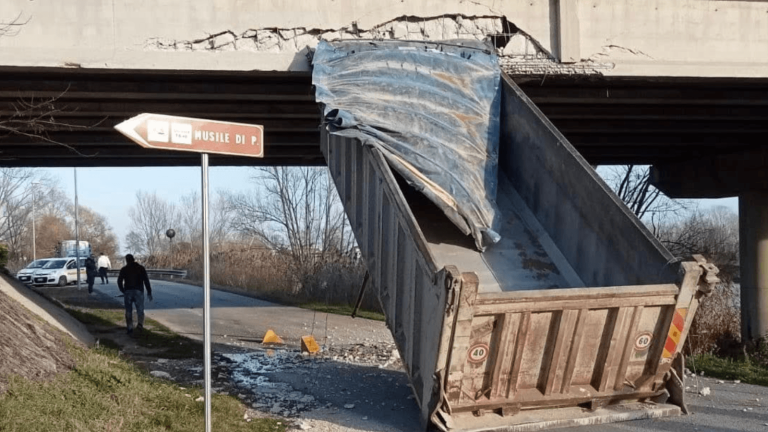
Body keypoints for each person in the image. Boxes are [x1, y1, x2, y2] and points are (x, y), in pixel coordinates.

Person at [117, 254, 153, 335]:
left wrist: (123, 290)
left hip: (128, 291)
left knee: (128, 310)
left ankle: (129, 327)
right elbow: (146, 280)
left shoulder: (124, 269)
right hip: (138, 291)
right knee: (140, 309)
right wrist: (149, 292)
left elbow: (119, 281)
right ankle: (140, 325)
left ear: (126, 260)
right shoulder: (141, 268)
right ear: (133, 259)